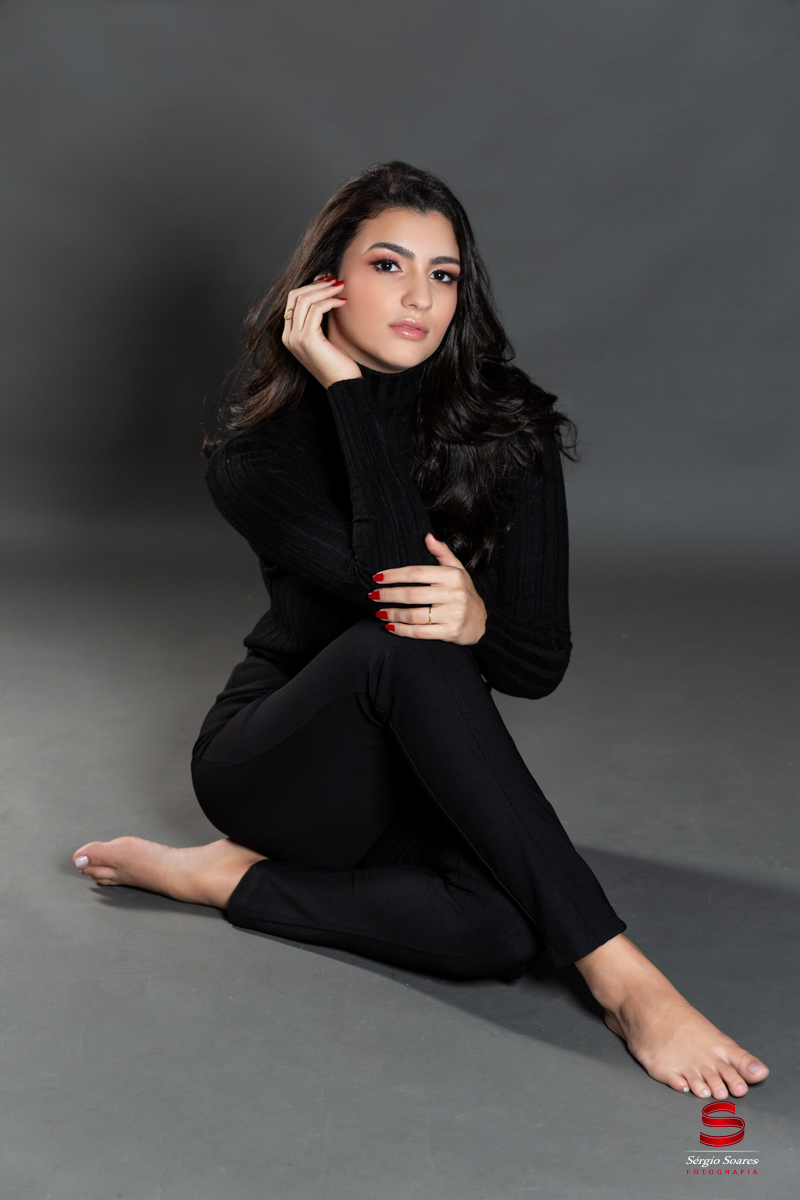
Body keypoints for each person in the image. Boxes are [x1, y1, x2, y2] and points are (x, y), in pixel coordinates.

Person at [72, 161, 768, 1101]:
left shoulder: (508, 428)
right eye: (388, 265)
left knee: (502, 933)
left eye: (443, 275)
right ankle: (627, 979)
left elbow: (537, 665)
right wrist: (346, 391)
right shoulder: (255, 461)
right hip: (280, 765)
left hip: (406, 764)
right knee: (401, 639)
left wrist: (480, 620)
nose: (418, 297)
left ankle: (220, 881)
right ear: (326, 283)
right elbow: (397, 598)